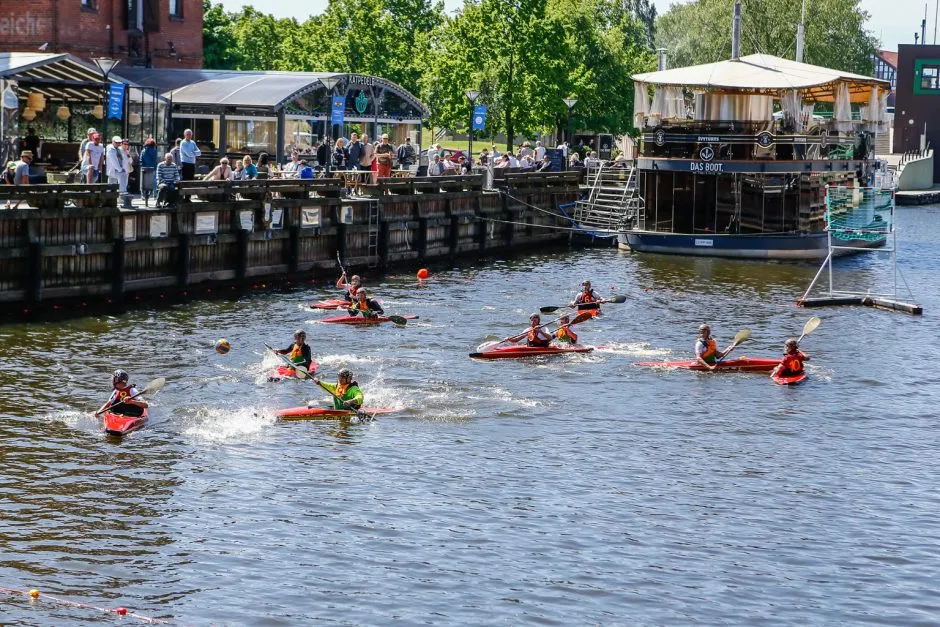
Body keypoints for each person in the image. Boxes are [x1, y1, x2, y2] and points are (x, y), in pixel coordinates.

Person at [106, 136, 130, 205]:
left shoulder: (118, 149)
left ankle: (109, 199)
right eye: (116, 142)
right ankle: (123, 194)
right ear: (113, 142)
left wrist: (122, 168)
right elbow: (114, 161)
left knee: (111, 186)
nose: (118, 144)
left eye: (119, 142)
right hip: (114, 170)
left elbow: (124, 159)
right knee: (123, 175)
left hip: (115, 170)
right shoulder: (111, 150)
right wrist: (120, 169)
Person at [139, 137, 158, 206]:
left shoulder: (144, 150)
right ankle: (155, 195)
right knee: (154, 182)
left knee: (143, 182)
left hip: (144, 168)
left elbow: (141, 159)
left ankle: (143, 195)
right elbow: (155, 160)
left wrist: (142, 166)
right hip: (153, 168)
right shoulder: (154, 150)